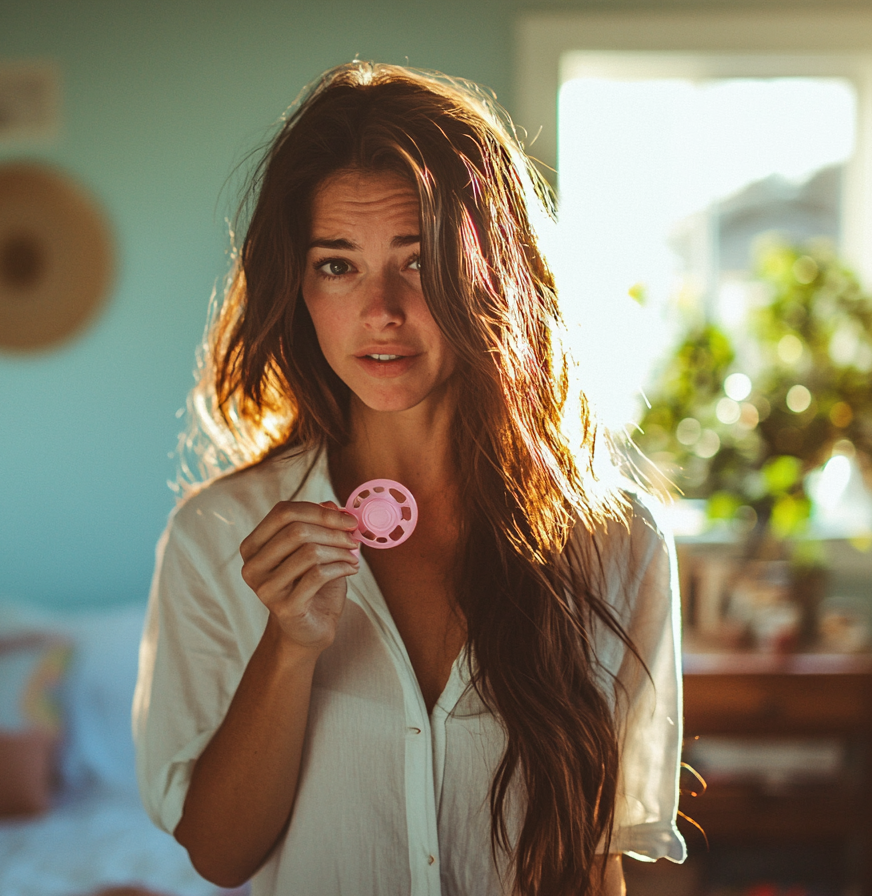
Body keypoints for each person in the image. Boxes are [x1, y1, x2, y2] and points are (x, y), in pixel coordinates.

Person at [134, 62, 685, 896]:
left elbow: (595, 862)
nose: (381, 309)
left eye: (420, 258)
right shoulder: (219, 535)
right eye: (337, 265)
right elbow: (218, 854)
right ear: (299, 288)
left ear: (493, 273)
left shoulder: (615, 543)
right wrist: (289, 647)